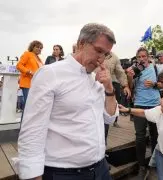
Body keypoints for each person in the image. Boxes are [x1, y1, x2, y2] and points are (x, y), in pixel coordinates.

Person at [16, 23, 118, 180]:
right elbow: (32, 131)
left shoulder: (96, 79)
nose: (101, 59)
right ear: (81, 44)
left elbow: (109, 117)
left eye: (106, 54)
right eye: (98, 50)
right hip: (64, 173)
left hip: (101, 169)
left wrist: (109, 88)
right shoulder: (50, 74)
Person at [126, 47, 160, 180]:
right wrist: (129, 77)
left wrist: (155, 84)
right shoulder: (134, 69)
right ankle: (142, 166)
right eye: (139, 57)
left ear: (148, 57)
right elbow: (131, 87)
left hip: (155, 105)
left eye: (143, 56)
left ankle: (155, 163)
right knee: (140, 136)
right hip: (139, 104)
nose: (141, 59)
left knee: (155, 135)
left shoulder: (156, 68)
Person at [16, 40, 43, 108]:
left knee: (32, 106)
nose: (39, 49)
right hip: (27, 83)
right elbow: (19, 65)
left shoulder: (39, 59)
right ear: (32, 47)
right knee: (28, 106)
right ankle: (24, 119)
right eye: (37, 47)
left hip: (36, 84)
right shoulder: (27, 54)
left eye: (40, 48)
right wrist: (29, 71)